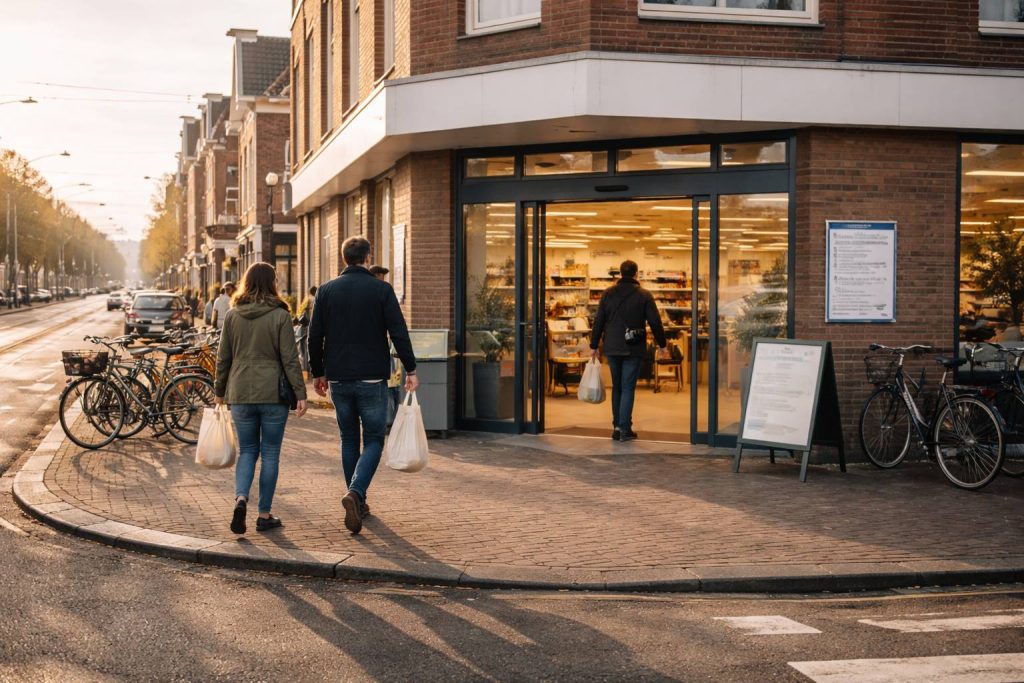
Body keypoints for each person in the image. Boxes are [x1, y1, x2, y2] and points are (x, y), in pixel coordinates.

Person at [310, 238, 418, 535]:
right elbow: (398, 331)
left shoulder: (326, 290)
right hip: (372, 377)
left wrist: (318, 372)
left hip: (339, 378)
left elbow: (314, 335)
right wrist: (410, 367)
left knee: (348, 439)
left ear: (344, 258)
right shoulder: (381, 290)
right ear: (368, 256)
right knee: (373, 439)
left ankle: (358, 500)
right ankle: (356, 493)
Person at [214, 263, 308, 535]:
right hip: (272, 394)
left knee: (247, 452)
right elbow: (291, 359)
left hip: (240, 392)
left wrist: (219, 392)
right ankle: (264, 514)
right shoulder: (280, 316)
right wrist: (300, 394)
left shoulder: (232, 315)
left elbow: (224, 359)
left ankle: (241, 498)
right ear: (272, 283)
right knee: (270, 453)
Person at [590, 260, 668, 442]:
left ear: (620, 273)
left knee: (617, 387)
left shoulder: (608, 294)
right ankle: (624, 428)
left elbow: (599, 320)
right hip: (633, 347)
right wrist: (662, 344)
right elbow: (655, 321)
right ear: (636, 274)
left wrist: (594, 345)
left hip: (612, 346)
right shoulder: (644, 295)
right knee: (627, 387)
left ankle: (617, 427)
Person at [369, 266, 402, 427]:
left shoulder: (381, 291)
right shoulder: (380, 292)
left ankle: (387, 417)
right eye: (381, 276)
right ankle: (385, 419)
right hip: (375, 357)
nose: (383, 280)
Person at [294, 286, 317, 374]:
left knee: (303, 350)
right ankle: (309, 369)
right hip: (309, 328)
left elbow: (299, 313)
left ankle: (305, 369)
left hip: (303, 328)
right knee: (309, 349)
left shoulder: (306, 300)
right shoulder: (314, 300)